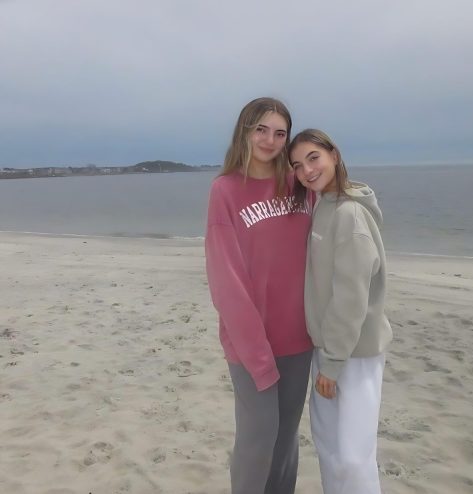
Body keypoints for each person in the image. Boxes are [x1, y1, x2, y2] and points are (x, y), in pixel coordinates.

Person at [204, 98, 313, 494]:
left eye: (280, 133)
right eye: (261, 130)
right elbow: (226, 279)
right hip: (250, 341)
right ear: (245, 132)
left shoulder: (299, 185)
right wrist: (256, 350)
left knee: (286, 442)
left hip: (299, 338)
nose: (270, 140)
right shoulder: (226, 190)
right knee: (257, 442)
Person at [289, 129, 393, 494]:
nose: (307, 171)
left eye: (313, 157)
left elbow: (352, 297)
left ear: (333, 154)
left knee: (352, 456)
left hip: (354, 354)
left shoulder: (349, 214)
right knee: (330, 449)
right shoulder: (323, 206)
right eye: (298, 166)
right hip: (329, 349)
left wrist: (332, 363)